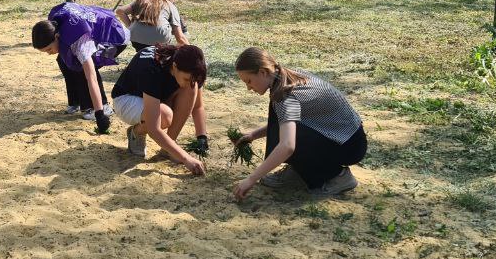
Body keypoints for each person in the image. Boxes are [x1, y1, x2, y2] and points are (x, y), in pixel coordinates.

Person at [230, 47, 367, 200]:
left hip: (349, 146)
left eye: (249, 81)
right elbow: (285, 121)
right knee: (281, 124)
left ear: (263, 72)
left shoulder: (285, 96)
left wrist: (251, 179)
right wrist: (253, 135)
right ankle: (299, 171)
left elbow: (287, 146)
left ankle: (338, 176)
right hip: (349, 137)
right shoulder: (286, 76)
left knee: (287, 139)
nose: (248, 87)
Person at [110, 44, 208, 174]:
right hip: (126, 100)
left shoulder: (188, 64)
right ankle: (136, 132)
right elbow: (154, 129)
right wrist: (186, 158)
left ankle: (168, 148)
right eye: (186, 78)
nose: (187, 82)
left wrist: (202, 137)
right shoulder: (152, 69)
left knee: (191, 87)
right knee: (165, 116)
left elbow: (198, 106)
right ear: (174, 66)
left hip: (155, 98)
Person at [31, 1, 129, 131]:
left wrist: (100, 115)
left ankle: (100, 107)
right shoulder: (53, 24)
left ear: (56, 36)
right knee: (63, 60)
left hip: (115, 37)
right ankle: (75, 101)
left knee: (82, 67)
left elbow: (91, 77)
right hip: (95, 31)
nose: (49, 53)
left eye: (49, 49)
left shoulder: (80, 43)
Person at [115, 0, 187, 53]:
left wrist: (130, 26)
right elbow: (180, 38)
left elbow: (120, 11)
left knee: (143, 52)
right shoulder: (169, 4)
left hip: (136, 37)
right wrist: (194, 53)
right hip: (160, 40)